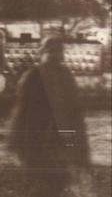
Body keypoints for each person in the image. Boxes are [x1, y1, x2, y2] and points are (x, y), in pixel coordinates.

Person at [7, 35, 91, 197]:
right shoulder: (32, 77)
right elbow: (22, 111)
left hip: (63, 136)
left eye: (58, 51)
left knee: (59, 180)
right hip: (38, 136)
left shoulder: (66, 76)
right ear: (42, 53)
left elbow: (74, 112)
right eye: (50, 51)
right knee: (41, 180)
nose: (54, 55)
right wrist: (18, 143)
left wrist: (79, 149)